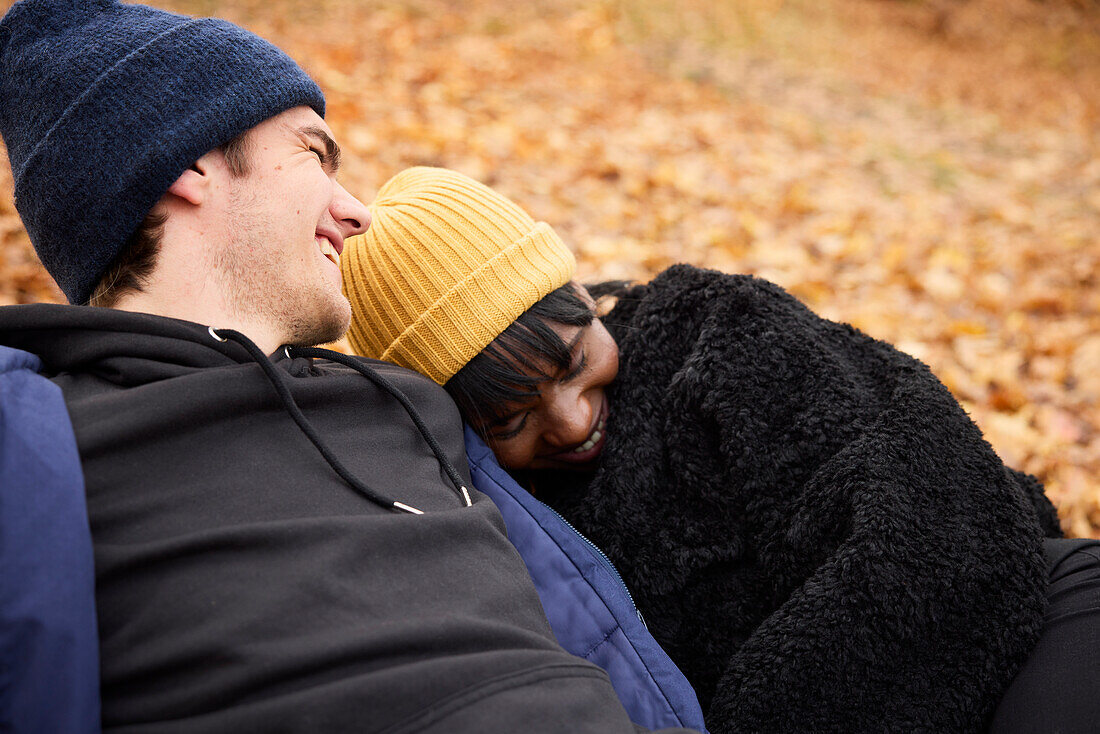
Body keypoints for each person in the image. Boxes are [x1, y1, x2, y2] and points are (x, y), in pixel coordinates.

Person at [0, 2, 701, 732]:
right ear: (189, 167)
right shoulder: (35, 444)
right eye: (313, 153)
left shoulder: (404, 398)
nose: (357, 212)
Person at [341, 166, 1099, 734]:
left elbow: (921, 513)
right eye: (511, 422)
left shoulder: (715, 334)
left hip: (1023, 609)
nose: (570, 423)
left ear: (578, 298)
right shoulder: (507, 521)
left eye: (574, 363)